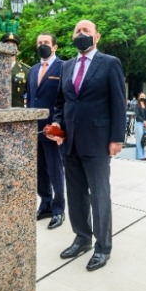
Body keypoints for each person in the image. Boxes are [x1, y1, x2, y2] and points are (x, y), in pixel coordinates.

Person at [47, 19, 127, 272]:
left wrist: (116, 138)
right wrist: (58, 126)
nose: (81, 34)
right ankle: (82, 238)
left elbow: (119, 103)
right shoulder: (67, 66)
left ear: (97, 37)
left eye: (86, 31)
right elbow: (61, 102)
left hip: (98, 142)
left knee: (99, 195)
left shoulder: (110, 64)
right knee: (76, 194)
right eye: (77, 31)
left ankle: (103, 247)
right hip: (70, 143)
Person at [27, 33, 65, 230]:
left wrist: (60, 126)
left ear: (55, 47)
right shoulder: (32, 70)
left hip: (54, 128)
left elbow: (64, 100)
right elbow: (31, 98)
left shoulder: (63, 67)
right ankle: (46, 203)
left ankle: (59, 209)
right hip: (34, 129)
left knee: (56, 170)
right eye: (40, 42)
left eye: (46, 43)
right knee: (40, 169)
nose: (43, 45)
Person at [1, 32, 30, 107]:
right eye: (7, 45)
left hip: (17, 112)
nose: (10, 47)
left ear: (17, 50)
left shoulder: (26, 70)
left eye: (13, 45)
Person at [133, 92, 146, 161]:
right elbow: (137, 115)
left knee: (145, 139)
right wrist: (144, 121)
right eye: (141, 96)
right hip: (139, 123)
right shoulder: (137, 105)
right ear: (139, 97)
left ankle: (144, 155)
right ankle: (140, 156)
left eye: (144, 96)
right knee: (139, 139)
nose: (142, 97)